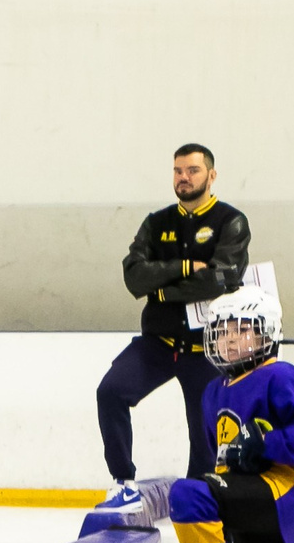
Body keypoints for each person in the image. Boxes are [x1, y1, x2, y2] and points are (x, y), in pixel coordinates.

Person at [97, 145, 249, 500]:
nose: (184, 177)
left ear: (211, 176)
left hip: (207, 351)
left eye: (193, 170)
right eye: (178, 170)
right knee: (110, 392)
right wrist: (182, 269)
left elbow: (221, 279)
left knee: (205, 435)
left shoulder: (231, 222)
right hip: (158, 345)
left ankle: (197, 510)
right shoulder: (157, 222)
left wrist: (162, 291)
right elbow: (134, 277)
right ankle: (123, 483)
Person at [167, 285, 294, 543]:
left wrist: (267, 444)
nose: (230, 337)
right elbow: (221, 460)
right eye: (222, 331)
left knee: (188, 495)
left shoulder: (280, 375)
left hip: (279, 493)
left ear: (267, 333)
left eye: (242, 329)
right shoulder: (213, 391)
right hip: (246, 501)